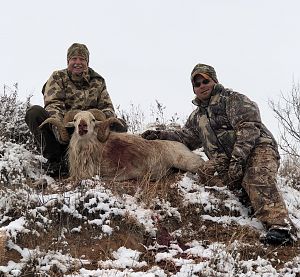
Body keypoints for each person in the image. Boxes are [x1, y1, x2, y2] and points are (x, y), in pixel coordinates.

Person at [142, 63, 296, 245]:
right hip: (226, 158)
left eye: (205, 81)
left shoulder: (233, 100)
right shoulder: (197, 117)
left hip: (258, 148)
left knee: (256, 177)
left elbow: (249, 127)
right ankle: (246, 198)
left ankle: (281, 227)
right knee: (205, 172)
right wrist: (160, 135)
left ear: (214, 80)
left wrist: (239, 159)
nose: (201, 86)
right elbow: (186, 138)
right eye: (196, 84)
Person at [25, 43, 127, 176]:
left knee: (119, 125)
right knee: (34, 113)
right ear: (68, 61)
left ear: (87, 62)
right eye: (74, 59)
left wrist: (101, 126)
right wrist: (60, 130)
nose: (78, 62)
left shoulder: (98, 81)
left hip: (91, 130)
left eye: (82, 59)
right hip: (67, 128)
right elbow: (53, 104)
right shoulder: (58, 77)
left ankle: (103, 161)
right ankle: (56, 161)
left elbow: (107, 107)